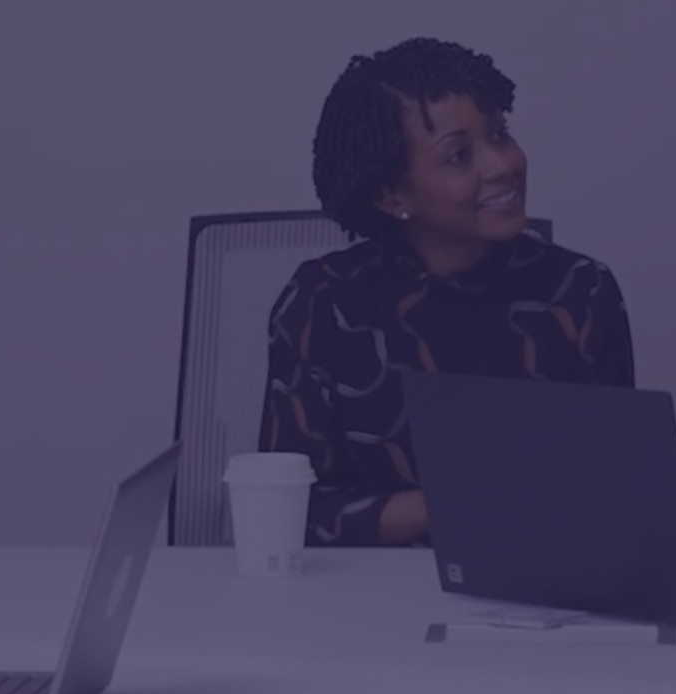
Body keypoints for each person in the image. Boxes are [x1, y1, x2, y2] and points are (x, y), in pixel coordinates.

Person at [259, 38, 637, 548]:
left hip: (539, 593)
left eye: (499, 134)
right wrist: (458, 501)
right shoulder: (321, 302)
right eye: (459, 156)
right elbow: (288, 508)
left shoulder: (580, 293)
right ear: (392, 195)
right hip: (360, 599)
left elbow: (619, 496)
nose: (501, 165)